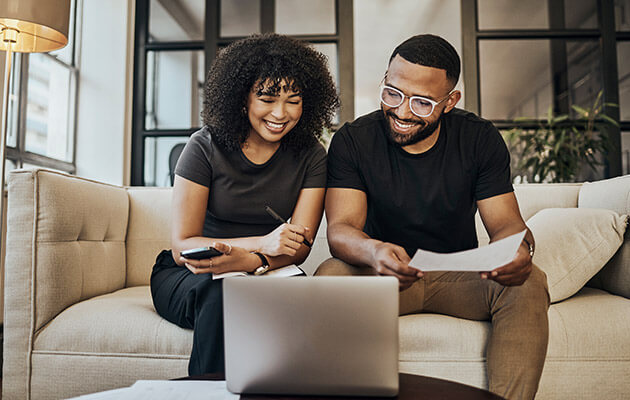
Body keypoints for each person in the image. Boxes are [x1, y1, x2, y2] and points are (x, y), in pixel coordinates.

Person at [317, 34, 549, 400]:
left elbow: (506, 224)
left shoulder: (479, 139)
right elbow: (342, 229)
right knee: (330, 274)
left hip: (459, 275)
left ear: (450, 101)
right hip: (383, 275)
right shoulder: (353, 140)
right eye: (392, 93)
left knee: (530, 281)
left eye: (422, 103)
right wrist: (374, 252)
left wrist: (518, 249)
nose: (403, 112)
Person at [150, 33, 338, 376]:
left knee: (303, 303)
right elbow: (183, 246)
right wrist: (260, 244)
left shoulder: (311, 155)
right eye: (266, 98)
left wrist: (253, 260)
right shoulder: (203, 147)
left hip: (270, 270)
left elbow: (299, 248)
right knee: (227, 293)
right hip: (194, 273)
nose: (280, 113)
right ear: (242, 99)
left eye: (293, 100)